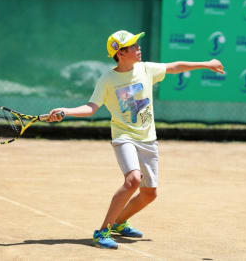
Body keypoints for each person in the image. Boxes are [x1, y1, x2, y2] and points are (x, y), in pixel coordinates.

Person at [47, 30, 225, 249]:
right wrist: (66, 110)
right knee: (132, 180)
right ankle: (102, 231)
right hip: (124, 136)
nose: (138, 48)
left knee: (149, 194)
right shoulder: (107, 79)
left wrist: (207, 64)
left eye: (137, 44)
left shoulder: (146, 69)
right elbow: (91, 107)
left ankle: (120, 223)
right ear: (120, 53)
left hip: (148, 139)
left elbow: (175, 66)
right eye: (133, 46)